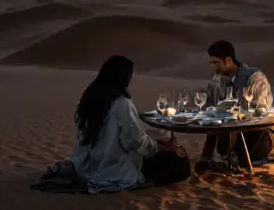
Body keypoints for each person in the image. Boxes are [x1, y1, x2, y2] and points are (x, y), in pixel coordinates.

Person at [71, 55, 191, 190]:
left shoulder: (90, 98)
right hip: (111, 171)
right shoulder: (122, 104)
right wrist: (159, 147)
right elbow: (134, 141)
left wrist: (156, 143)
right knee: (180, 159)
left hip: (83, 167)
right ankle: (147, 185)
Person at [197, 40, 274, 171]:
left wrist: (235, 115)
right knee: (215, 127)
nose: (213, 67)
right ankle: (208, 159)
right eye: (211, 63)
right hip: (232, 133)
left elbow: (260, 112)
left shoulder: (255, 78)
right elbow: (211, 110)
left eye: (216, 63)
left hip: (260, 132)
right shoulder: (217, 80)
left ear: (228, 60)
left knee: (246, 143)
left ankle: (234, 160)